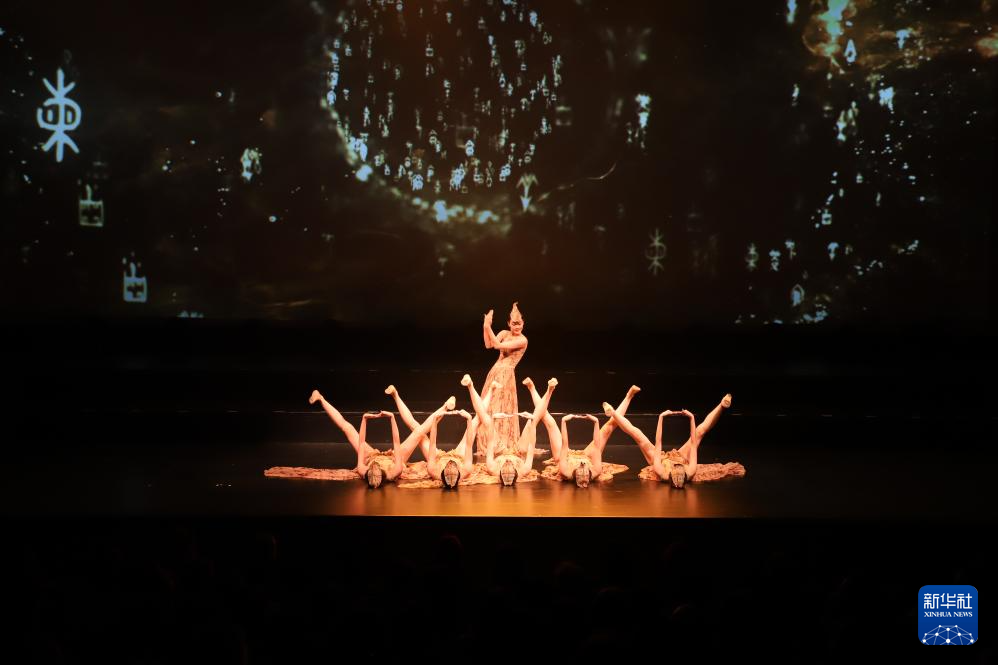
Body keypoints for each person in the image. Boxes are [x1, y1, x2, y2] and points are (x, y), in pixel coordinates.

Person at [309, 389, 455, 487]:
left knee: (348, 428)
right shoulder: (394, 471)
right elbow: (396, 442)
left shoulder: (363, 470)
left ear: (369, 474)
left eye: (372, 472)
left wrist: (364, 419)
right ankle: (444, 407)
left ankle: (321, 398)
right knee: (418, 432)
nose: (374, 469)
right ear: (381, 475)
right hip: (395, 457)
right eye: (377, 473)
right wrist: (392, 418)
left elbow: (361, 442)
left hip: (370, 455)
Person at [603, 394, 732, 487]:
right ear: (684, 475)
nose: (679, 471)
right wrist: (691, 418)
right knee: (699, 432)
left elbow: (658, 442)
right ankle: (722, 405)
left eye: (677, 474)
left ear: (672, 475)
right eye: (681, 473)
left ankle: (613, 413)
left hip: (660, 459)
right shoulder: (690, 471)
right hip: (681, 456)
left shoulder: (661, 472)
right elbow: (693, 443)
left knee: (638, 435)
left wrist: (661, 417)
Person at [463, 374, 557, 485]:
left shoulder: (492, 468)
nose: (508, 469)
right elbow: (532, 444)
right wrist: (531, 420)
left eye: (505, 473)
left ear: (501, 475)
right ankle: (547, 389)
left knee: (484, 418)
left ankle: (471, 386)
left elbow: (490, 441)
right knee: (534, 418)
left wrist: (493, 419)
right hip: (518, 452)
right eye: (510, 473)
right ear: (515, 474)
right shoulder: (524, 470)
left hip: (500, 451)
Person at [521, 378, 641, 463]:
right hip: (586, 457)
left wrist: (564, 421)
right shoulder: (594, 468)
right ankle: (629, 396)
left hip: (565, 457)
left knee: (549, 421)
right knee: (608, 427)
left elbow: (565, 445)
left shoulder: (566, 470)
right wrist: (595, 421)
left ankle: (537, 388)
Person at [478, 302, 528, 456]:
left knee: (501, 408)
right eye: (514, 323)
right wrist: (485, 327)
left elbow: (498, 346)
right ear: (508, 323)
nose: (517, 326)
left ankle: (501, 444)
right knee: (488, 406)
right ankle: (488, 443)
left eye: (519, 323)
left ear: (523, 323)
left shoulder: (523, 340)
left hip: (506, 376)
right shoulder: (504, 333)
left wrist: (488, 327)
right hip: (494, 372)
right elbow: (488, 344)